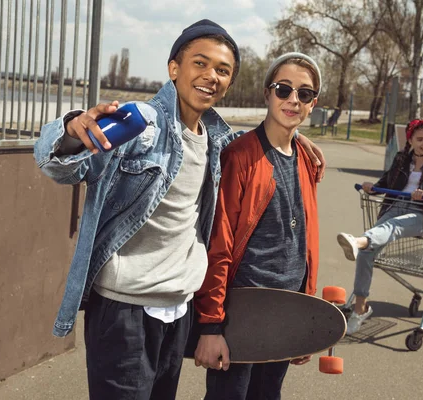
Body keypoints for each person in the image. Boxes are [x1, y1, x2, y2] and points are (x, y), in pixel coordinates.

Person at [33, 20, 326, 400]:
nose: (211, 76)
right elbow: (62, 165)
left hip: (177, 308)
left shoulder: (217, 141)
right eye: (200, 64)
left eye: (222, 70)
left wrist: (298, 135)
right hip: (126, 310)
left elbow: (274, 131)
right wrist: (72, 128)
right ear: (174, 68)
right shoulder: (141, 124)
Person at [193, 52, 321, 400]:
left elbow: (304, 245)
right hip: (241, 315)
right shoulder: (239, 157)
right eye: (284, 89)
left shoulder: (307, 160)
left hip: (286, 311)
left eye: (304, 93)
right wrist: (211, 325)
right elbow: (218, 245)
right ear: (267, 94)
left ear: (312, 104)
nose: (293, 99)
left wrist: (306, 319)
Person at [336, 119, 423, 335]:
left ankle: (358, 241)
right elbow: (387, 182)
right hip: (395, 204)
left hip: (421, 213)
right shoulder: (401, 159)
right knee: (365, 254)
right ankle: (361, 309)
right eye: (419, 139)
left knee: (392, 226)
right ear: (410, 140)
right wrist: (372, 188)